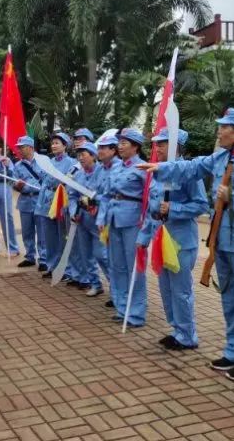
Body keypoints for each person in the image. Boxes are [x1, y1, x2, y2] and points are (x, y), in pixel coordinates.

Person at [139, 108, 234, 380]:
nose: (219, 131)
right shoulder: (222, 156)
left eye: (224, 127)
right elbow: (191, 167)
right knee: (230, 300)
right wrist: (161, 167)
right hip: (222, 241)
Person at [137, 127, 208, 350]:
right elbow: (152, 209)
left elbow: (201, 205)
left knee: (180, 290)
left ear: (176, 146)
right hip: (160, 239)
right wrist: (144, 236)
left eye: (163, 143)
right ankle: (177, 329)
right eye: (156, 143)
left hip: (181, 240)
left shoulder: (189, 173)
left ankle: (188, 335)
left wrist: (174, 207)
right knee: (166, 288)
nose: (157, 147)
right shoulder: (158, 173)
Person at [102, 128, 151, 327]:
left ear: (136, 147)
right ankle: (122, 308)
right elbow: (106, 194)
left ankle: (136, 313)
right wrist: (101, 219)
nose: (120, 147)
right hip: (114, 219)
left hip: (133, 221)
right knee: (117, 266)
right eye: (119, 143)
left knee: (134, 269)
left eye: (124, 143)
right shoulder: (115, 167)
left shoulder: (143, 167)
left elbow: (150, 197)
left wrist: (147, 225)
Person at [68, 141, 108, 296]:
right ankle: (95, 284)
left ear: (93, 156)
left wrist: (94, 201)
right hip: (82, 219)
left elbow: (107, 195)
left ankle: (116, 288)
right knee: (85, 255)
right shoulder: (77, 175)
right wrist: (73, 211)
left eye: (83, 154)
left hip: (98, 220)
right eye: (78, 155)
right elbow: (72, 196)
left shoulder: (103, 173)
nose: (80, 158)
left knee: (101, 255)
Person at [35, 132, 76, 277]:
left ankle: (66, 269)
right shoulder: (49, 162)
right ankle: (52, 266)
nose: (54, 146)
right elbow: (43, 181)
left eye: (57, 143)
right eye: (52, 143)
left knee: (62, 236)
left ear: (65, 145)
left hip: (61, 201)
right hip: (46, 201)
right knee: (49, 237)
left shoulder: (72, 163)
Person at [96, 134, 121, 308]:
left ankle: (118, 294)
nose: (100, 151)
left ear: (114, 150)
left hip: (118, 218)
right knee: (104, 256)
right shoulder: (101, 168)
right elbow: (102, 195)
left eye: (104, 148)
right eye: (99, 148)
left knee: (116, 260)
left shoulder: (119, 167)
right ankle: (116, 292)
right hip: (104, 217)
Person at [13, 136, 43, 268]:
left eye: (22, 147)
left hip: (40, 200)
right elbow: (13, 182)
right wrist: (18, 185)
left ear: (30, 148)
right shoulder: (18, 165)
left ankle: (44, 258)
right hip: (25, 200)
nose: (19, 150)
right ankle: (30, 256)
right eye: (19, 147)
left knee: (42, 231)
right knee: (27, 231)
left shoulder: (43, 162)